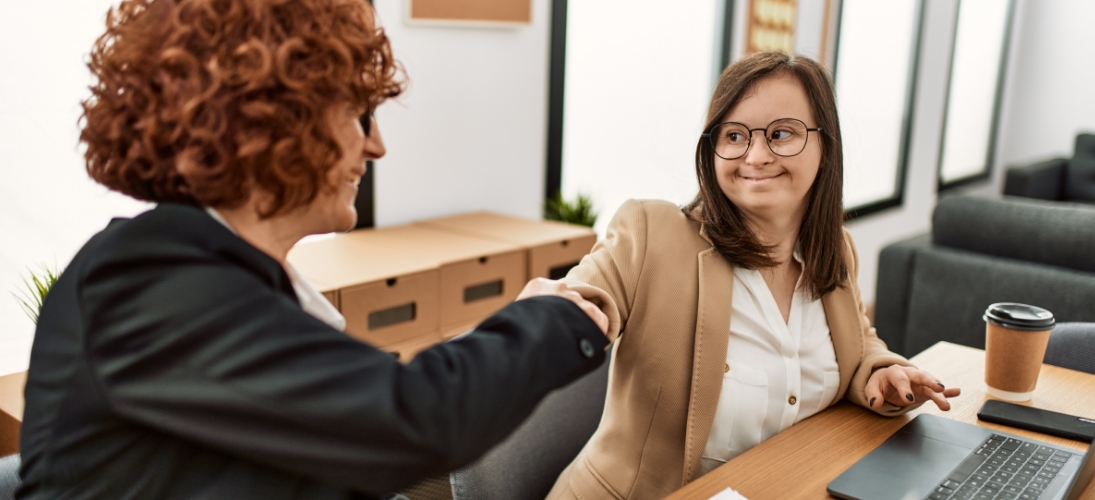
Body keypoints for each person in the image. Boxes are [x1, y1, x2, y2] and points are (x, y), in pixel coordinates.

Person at [15, 1, 611, 499]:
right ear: (271, 119)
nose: (376, 145)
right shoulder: (143, 282)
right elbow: (410, 420)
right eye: (359, 114)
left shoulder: (230, 277)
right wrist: (547, 319)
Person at [546, 52, 962, 500]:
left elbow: (857, 343)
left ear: (825, 146)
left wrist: (880, 373)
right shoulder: (651, 233)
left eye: (781, 134)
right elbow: (584, 295)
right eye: (735, 135)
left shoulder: (835, 248)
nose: (756, 155)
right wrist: (554, 314)